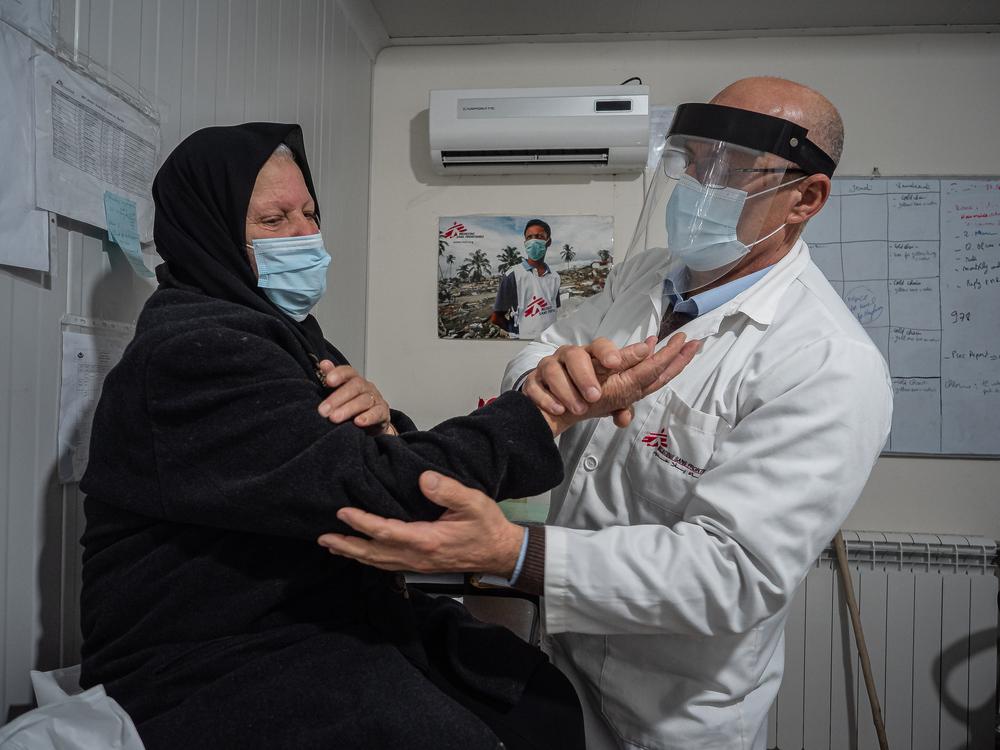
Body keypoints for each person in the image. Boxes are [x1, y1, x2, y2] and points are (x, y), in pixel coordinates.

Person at [77, 122, 700, 750]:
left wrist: (385, 418)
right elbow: (377, 491)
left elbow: (353, 458)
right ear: (208, 230)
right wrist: (547, 411)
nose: (304, 236)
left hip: (322, 612)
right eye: (273, 220)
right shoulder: (193, 354)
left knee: (541, 701)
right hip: (218, 651)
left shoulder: (280, 333)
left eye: (309, 213)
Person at [317, 77, 894, 750]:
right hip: (563, 663)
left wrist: (514, 553)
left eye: (732, 169)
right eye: (694, 160)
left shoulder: (828, 362)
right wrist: (547, 378)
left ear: (806, 198)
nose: (700, 185)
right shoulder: (646, 275)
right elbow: (539, 352)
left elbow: (732, 573)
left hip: (671, 713)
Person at [490, 219, 561, 338]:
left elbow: (552, 309)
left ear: (548, 241)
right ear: (525, 243)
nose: (533, 241)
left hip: (548, 341)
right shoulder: (513, 275)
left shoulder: (555, 276)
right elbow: (496, 318)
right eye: (530, 237)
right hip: (522, 342)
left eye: (539, 236)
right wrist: (516, 332)